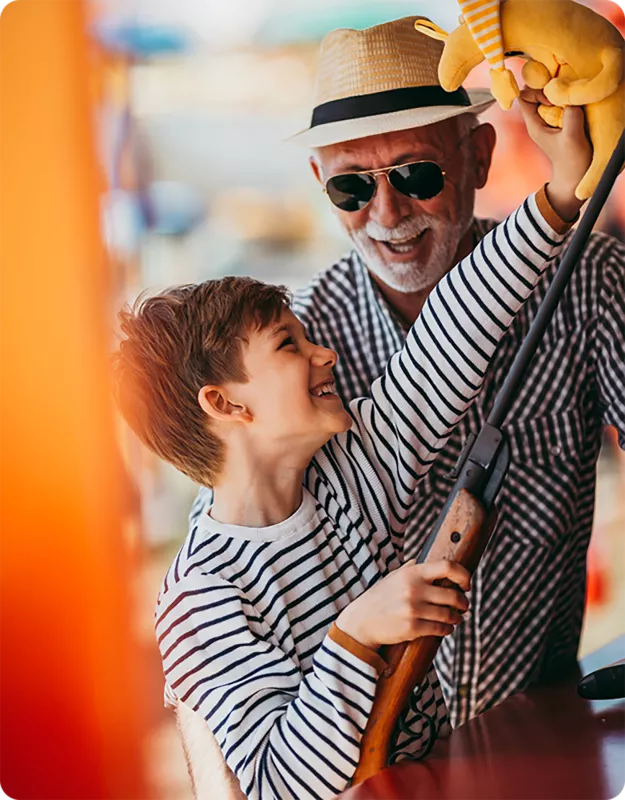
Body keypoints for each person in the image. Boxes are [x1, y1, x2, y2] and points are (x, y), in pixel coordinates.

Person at [114, 117, 588, 796]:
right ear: (225, 404)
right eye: (289, 346)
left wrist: (560, 195)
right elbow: (280, 784)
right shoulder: (204, 596)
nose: (325, 354)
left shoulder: (348, 467)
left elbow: (453, 328)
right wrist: (358, 631)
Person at [192, 15, 625, 730]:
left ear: (479, 157)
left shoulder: (591, 278)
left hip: (543, 729)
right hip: (375, 756)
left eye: (416, 175)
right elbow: (232, 534)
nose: (387, 212)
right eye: (350, 188)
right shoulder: (300, 351)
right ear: (318, 182)